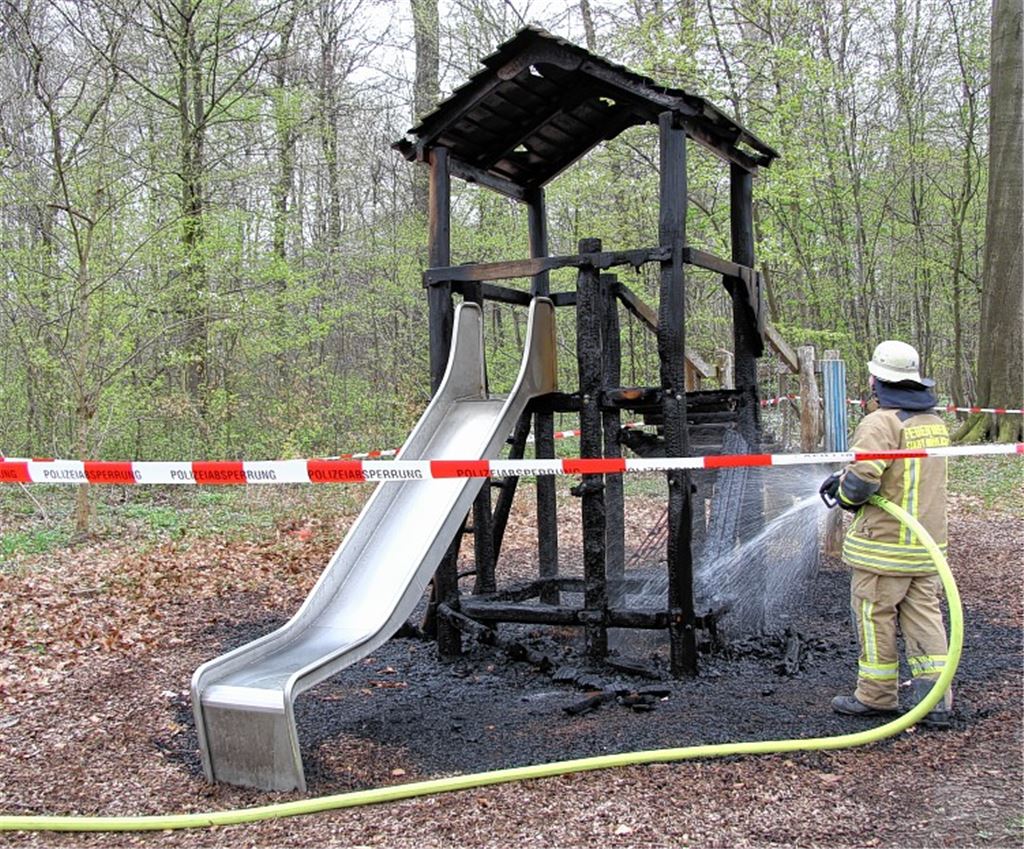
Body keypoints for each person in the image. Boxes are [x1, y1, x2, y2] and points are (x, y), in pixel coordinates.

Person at [819, 340, 953, 728]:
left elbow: (862, 483)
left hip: (885, 548)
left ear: (876, 379)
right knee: (925, 618)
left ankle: (876, 696)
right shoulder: (933, 424)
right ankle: (935, 702)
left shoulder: (881, 422)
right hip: (926, 548)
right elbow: (901, 476)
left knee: (874, 615)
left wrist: (844, 495)